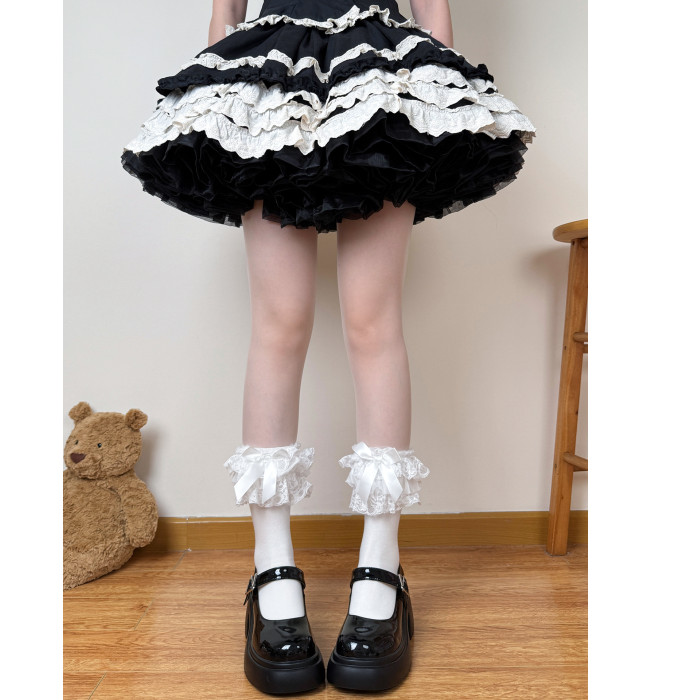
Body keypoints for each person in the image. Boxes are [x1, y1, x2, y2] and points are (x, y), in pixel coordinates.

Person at [121, 0, 536, 693]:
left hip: (379, 75)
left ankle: (382, 563)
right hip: (271, 77)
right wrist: (228, 97)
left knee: (372, 322)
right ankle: (270, 564)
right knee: (279, 323)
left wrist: (430, 99)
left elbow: (433, 10)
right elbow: (224, 13)